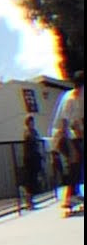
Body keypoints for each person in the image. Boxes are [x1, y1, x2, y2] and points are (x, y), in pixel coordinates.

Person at [50, 71, 83, 207]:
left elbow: (78, 123)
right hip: (61, 137)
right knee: (75, 159)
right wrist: (71, 149)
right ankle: (70, 196)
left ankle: (74, 193)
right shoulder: (70, 99)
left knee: (78, 159)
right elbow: (65, 125)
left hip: (71, 135)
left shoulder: (79, 98)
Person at [20, 115, 44, 211]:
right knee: (29, 181)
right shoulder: (27, 133)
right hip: (29, 159)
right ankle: (28, 202)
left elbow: (37, 141)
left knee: (34, 180)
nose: (32, 124)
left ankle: (31, 201)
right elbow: (30, 140)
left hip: (35, 158)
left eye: (33, 122)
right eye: (30, 122)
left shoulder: (34, 132)